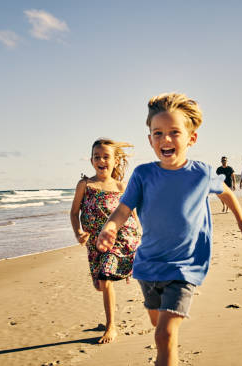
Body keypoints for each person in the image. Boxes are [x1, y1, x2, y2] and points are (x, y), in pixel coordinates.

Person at [96, 93, 242, 366]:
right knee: (161, 333)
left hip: (185, 267)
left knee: (165, 334)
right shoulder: (143, 175)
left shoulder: (201, 173)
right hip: (148, 267)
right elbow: (123, 209)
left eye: (174, 133)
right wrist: (110, 226)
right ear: (150, 140)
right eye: (158, 133)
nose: (165, 139)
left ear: (191, 139)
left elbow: (226, 191)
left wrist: (241, 217)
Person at [69, 138, 141, 344]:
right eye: (97, 157)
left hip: (119, 239)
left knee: (105, 278)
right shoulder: (85, 185)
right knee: (99, 285)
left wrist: (141, 233)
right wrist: (78, 233)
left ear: (115, 161)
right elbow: (74, 213)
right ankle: (110, 317)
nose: (101, 160)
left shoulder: (120, 186)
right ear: (91, 160)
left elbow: (132, 214)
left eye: (106, 157)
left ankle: (111, 326)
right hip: (94, 244)